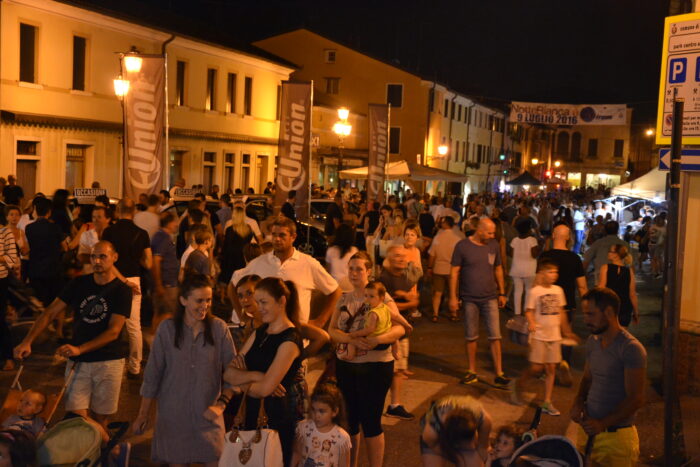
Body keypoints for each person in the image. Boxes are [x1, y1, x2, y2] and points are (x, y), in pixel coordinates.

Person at [14, 241, 132, 432]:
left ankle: (104, 452)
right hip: (79, 362)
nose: (97, 261)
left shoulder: (122, 290)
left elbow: (114, 331)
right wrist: (27, 341)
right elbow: (50, 312)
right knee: (76, 417)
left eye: (103, 256)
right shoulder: (79, 283)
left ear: (114, 257)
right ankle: (96, 450)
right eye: (94, 256)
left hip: (109, 360)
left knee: (100, 418)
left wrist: (80, 349)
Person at [132, 274, 234, 466]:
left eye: (208, 300)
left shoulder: (219, 329)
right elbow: (153, 374)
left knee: (215, 457)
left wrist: (221, 405)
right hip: (173, 418)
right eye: (199, 300)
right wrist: (143, 414)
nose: (205, 305)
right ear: (183, 300)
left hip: (208, 416)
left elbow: (233, 373)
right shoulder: (167, 329)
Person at [328, 251, 406, 467]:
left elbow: (400, 327)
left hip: (375, 367)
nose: (354, 273)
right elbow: (331, 330)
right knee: (350, 420)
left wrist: (376, 339)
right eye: (351, 268)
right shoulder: (344, 298)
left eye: (359, 269)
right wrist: (351, 339)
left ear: (369, 272)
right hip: (346, 366)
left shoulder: (381, 296)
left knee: (371, 421)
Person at [223, 278, 304, 465]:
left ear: (282, 301)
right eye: (258, 302)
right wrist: (257, 376)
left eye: (264, 302)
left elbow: (265, 390)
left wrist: (243, 378)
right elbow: (228, 373)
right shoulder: (260, 332)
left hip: (274, 420)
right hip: (249, 414)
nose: (259, 308)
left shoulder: (290, 340)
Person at [570, 288, 647, 466]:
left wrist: (603, 423)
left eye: (591, 314)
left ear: (610, 312)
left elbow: (636, 398)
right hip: (588, 433)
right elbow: (588, 378)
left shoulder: (630, 349)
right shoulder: (593, 341)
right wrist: (578, 401)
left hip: (617, 438)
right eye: (585, 314)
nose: (586, 320)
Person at [230, 216, 341, 327]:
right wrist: (243, 317)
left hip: (297, 334)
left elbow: (335, 291)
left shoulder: (308, 263)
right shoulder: (259, 262)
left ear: (293, 237)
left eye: (282, 235)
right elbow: (232, 286)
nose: (277, 239)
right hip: (267, 336)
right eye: (274, 235)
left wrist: (321, 320)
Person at [512, 259, 578, 416]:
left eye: (556, 272)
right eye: (550, 272)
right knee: (536, 368)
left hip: (554, 336)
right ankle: (518, 384)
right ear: (542, 273)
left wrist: (566, 330)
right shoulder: (535, 291)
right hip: (539, 336)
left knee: (550, 369)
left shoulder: (558, 290)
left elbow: (561, 312)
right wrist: (532, 322)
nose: (554, 275)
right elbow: (528, 310)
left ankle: (547, 401)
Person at [449, 218, 510, 387]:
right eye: (489, 232)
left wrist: (502, 292)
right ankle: (472, 371)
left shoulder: (493, 245)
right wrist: (453, 297)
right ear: (480, 230)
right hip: (469, 298)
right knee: (471, 336)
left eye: (493, 233)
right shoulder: (462, 246)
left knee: (495, 336)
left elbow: (498, 268)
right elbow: (454, 272)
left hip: (490, 297)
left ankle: (499, 373)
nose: (492, 236)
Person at [102, 198, 152, 378]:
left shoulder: (108, 232)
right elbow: (148, 263)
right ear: (134, 212)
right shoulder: (142, 233)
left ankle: (107, 363)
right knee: (134, 326)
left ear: (117, 211)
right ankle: (135, 366)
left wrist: (121, 279)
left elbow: (105, 261)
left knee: (108, 323)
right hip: (134, 281)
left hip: (111, 279)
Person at [539, 224, 587, 386]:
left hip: (546, 302)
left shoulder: (545, 256)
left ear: (553, 235)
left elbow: (538, 280)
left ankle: (548, 370)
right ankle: (564, 362)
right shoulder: (575, 258)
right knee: (566, 335)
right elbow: (582, 285)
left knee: (548, 337)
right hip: (567, 304)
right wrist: (586, 305)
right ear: (568, 237)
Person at [379, 245, 419, 420]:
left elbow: (414, 299)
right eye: (397, 256)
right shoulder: (384, 279)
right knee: (387, 371)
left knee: (400, 370)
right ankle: (380, 403)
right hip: (387, 332)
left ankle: (394, 404)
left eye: (404, 256)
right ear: (389, 258)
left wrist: (410, 300)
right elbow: (385, 308)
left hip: (402, 332)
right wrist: (409, 303)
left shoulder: (405, 277)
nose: (402, 259)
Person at [420, 395, 492, 466]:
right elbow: (433, 446)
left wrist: (489, 460)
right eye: (465, 444)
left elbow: (483, 447)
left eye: (471, 440)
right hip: (438, 440)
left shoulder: (484, 420)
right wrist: (455, 456)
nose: (472, 446)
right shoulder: (431, 431)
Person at [291, 383, 351, 467]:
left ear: (335, 411)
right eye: (313, 409)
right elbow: (296, 453)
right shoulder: (303, 428)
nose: (316, 415)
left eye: (321, 411)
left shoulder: (342, 438)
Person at [25, 196, 68, 308]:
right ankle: (54, 325)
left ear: (35, 210)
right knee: (53, 303)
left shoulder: (29, 228)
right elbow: (65, 247)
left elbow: (27, 248)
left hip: (35, 270)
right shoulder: (55, 228)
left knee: (39, 304)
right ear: (49, 212)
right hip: (53, 270)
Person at [338, 281, 393, 361]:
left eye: (371, 296)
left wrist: (355, 334)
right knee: (394, 337)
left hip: (375, 341)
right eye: (366, 296)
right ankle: (395, 350)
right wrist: (405, 324)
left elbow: (369, 330)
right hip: (387, 340)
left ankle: (350, 355)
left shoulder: (373, 313)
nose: (367, 299)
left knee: (352, 341)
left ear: (382, 298)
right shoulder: (385, 307)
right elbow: (396, 317)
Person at [427, 216, 464, 322]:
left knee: (437, 293)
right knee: (453, 293)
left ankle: (435, 314)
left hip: (438, 269)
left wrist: (429, 267)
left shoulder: (438, 237)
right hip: (453, 270)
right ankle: (454, 314)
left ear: (445, 224)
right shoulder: (458, 238)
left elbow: (432, 255)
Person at [150, 211, 180, 330]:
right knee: (166, 314)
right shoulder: (162, 237)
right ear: (168, 223)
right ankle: (157, 339)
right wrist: (159, 285)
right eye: (174, 222)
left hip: (167, 282)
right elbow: (156, 260)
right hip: (166, 284)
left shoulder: (162, 236)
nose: (176, 225)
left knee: (162, 312)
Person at [598, 244, 638, 327]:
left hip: (609, 306)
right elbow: (632, 294)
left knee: (608, 334)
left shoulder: (605, 268)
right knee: (622, 335)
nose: (608, 253)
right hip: (625, 307)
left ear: (616, 255)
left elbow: (601, 289)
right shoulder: (629, 271)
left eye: (610, 251)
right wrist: (636, 312)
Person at [509, 221, 539, 317]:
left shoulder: (514, 240)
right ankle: (526, 311)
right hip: (529, 269)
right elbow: (534, 255)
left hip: (516, 268)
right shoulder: (532, 240)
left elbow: (511, 253)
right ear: (529, 230)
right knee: (528, 291)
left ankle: (517, 313)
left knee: (517, 291)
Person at [218, 206, 254, 285]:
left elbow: (227, 245)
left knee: (228, 280)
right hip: (243, 257)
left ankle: (225, 296)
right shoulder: (248, 229)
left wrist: (221, 256)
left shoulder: (230, 229)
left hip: (231, 258)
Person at [0, 219, 18, 371]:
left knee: (0, 319)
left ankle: (8, 357)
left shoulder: (5, 233)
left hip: (1, 280)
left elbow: (12, 259)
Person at [76, 206, 112, 273]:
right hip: (89, 273)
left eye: (99, 217)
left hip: (109, 274)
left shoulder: (114, 234)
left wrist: (92, 256)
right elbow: (81, 256)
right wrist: (103, 258)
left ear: (108, 219)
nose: (95, 220)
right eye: (93, 217)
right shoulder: (86, 235)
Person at [325, 223, 358, 291]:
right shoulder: (354, 251)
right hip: (350, 286)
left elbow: (328, 272)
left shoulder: (331, 251)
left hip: (335, 287)